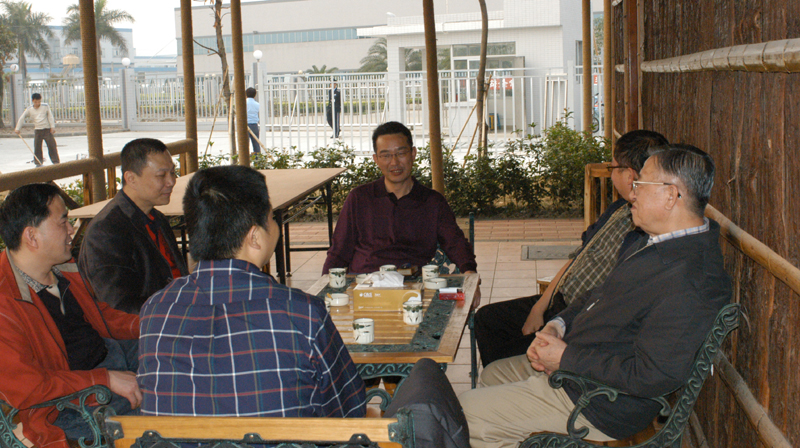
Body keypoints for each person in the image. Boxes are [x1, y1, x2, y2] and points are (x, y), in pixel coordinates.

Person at [459, 144, 732, 447]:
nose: (632, 193)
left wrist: (565, 358)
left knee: (466, 414)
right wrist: (557, 326)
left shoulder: (692, 281)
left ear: (670, 195)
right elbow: (598, 292)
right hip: (581, 367)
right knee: (494, 374)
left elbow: (652, 376)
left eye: (641, 184)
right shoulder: (654, 242)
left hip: (601, 402)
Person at [138, 165, 366, 417]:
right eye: (271, 218)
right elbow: (349, 408)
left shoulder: (156, 309)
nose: (275, 225)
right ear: (255, 237)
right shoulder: (302, 314)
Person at [473, 130, 668, 367]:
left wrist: (558, 324)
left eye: (612, 167)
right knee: (488, 319)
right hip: (561, 303)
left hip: (583, 321)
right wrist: (539, 307)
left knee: (505, 357)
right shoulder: (619, 209)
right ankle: (506, 379)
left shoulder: (647, 230)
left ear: (629, 175)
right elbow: (578, 258)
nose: (610, 173)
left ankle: (515, 379)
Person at [0, 183, 141, 448]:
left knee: (186, 356)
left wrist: (155, 324)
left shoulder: (61, 269)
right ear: (32, 236)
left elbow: (101, 317)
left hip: (110, 356)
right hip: (70, 404)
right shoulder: (5, 300)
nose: (71, 229)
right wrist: (105, 378)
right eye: (63, 221)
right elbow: (29, 388)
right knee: (172, 406)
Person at [322, 121, 478, 284]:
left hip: (412, 286)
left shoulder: (432, 202)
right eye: (386, 155)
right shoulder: (359, 198)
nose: (394, 162)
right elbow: (338, 251)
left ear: (413, 154)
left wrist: (470, 273)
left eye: (401, 153)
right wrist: (325, 284)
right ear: (376, 159)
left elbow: (455, 243)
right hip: (365, 285)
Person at [79, 138, 188, 313]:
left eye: (173, 173)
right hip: (150, 324)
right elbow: (118, 305)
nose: (171, 181)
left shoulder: (157, 218)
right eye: (161, 175)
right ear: (131, 178)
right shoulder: (106, 230)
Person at [15, 93, 59, 166]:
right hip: (38, 130)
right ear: (33, 100)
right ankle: (38, 162)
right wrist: (17, 128)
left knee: (52, 146)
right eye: (36, 102)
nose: (38, 103)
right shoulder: (30, 109)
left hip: (47, 129)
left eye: (39, 101)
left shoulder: (45, 106)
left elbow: (50, 116)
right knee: (37, 147)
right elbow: (22, 118)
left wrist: (52, 127)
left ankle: (56, 162)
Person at [246, 87, 261, 154]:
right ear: (255, 95)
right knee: (256, 144)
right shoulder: (257, 104)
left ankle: (245, 157)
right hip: (254, 125)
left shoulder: (243, 103)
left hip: (246, 125)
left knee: (245, 144)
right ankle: (258, 158)